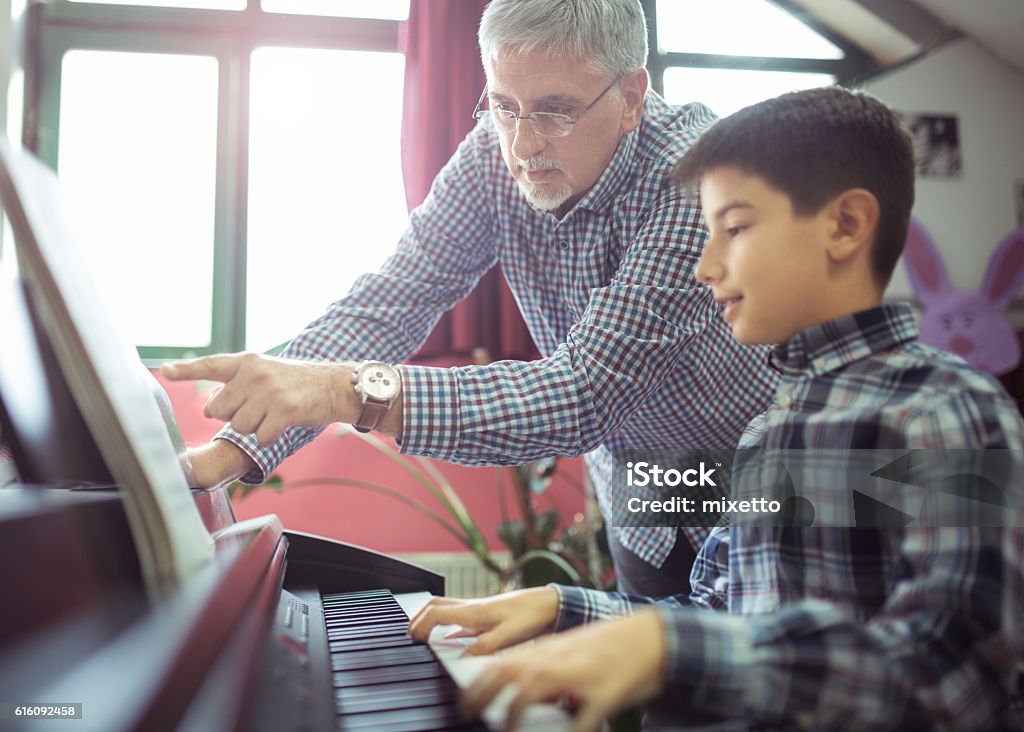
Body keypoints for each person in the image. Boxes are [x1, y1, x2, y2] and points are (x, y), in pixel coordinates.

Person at [409, 87, 1024, 730]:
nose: (704, 266)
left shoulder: (948, 412)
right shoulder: (765, 433)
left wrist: (669, 650)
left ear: (844, 226)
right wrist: (562, 608)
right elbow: (723, 615)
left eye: (734, 228)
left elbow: (952, 674)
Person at [161, 0, 776, 596]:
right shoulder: (493, 154)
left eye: (556, 111)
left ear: (632, 98)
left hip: (759, 479)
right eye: (504, 106)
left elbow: (584, 393)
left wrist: (337, 390)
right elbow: (395, 298)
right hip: (640, 491)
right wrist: (233, 447)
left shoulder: (695, 177)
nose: (523, 144)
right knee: (664, 693)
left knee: (775, 683)